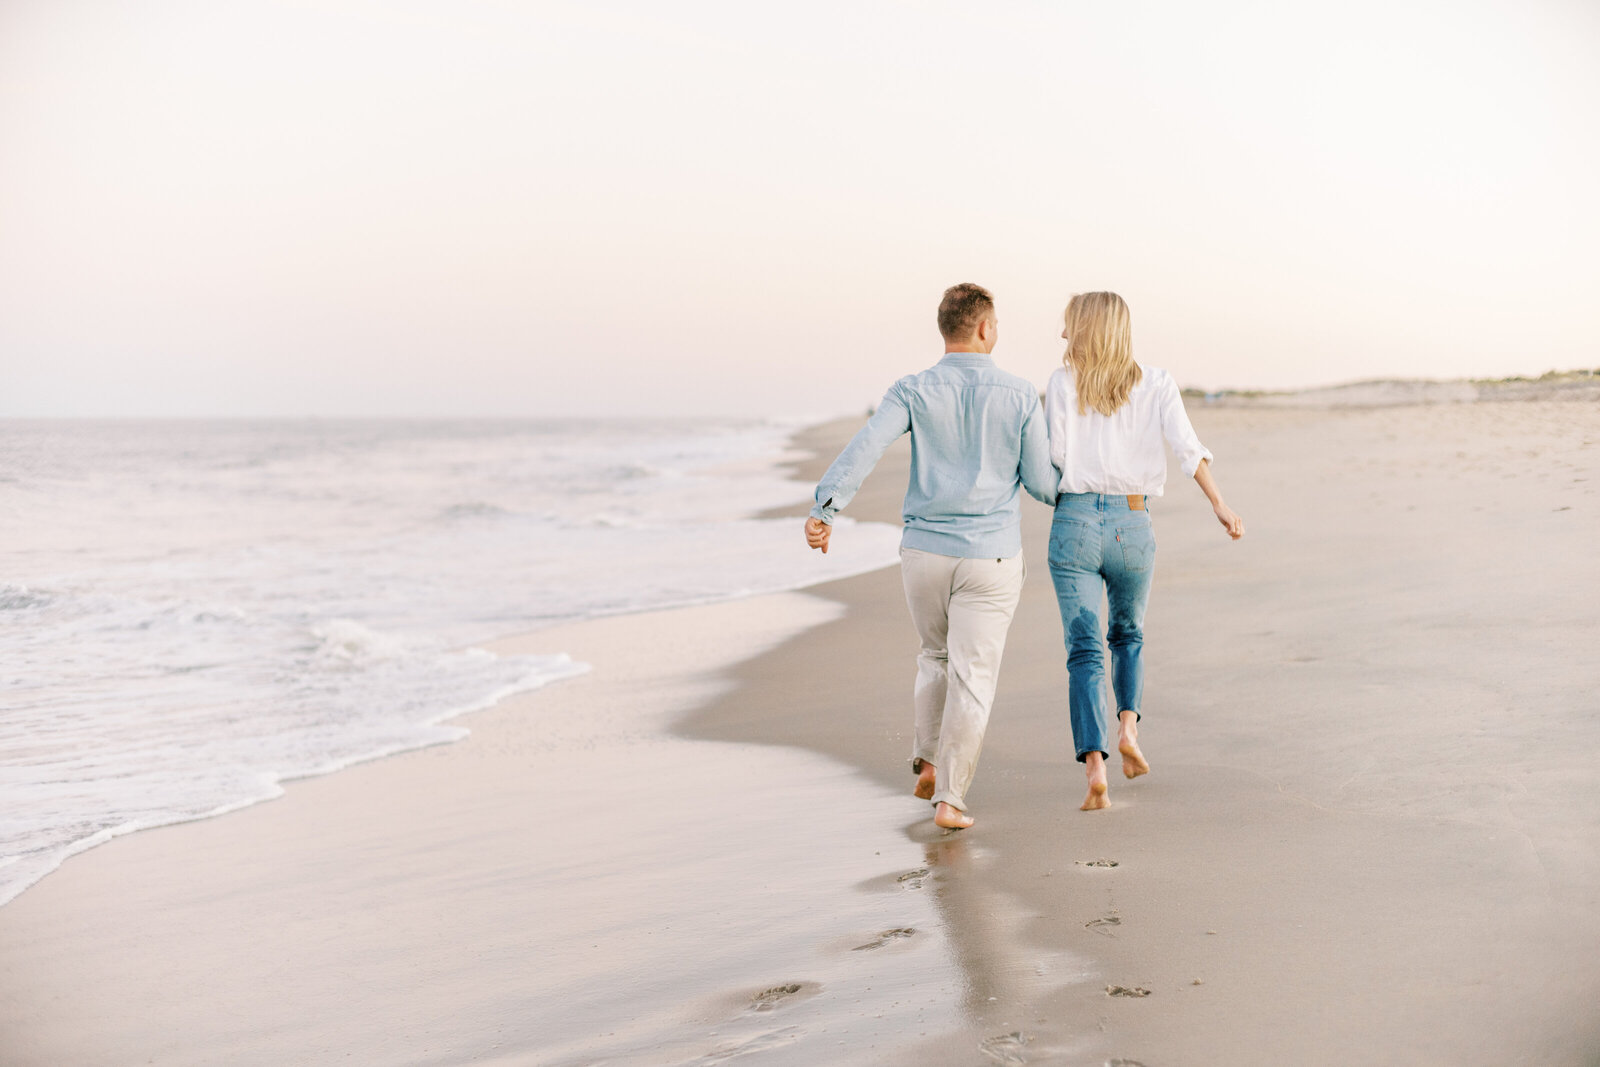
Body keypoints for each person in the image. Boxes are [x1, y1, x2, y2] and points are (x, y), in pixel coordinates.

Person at [803, 283, 1059, 830]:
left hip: (923, 552)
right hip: (989, 557)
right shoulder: (1017, 394)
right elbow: (1042, 483)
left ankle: (927, 762)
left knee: (934, 656)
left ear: (945, 329)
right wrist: (1083, 490)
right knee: (973, 675)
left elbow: (867, 444)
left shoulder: (912, 389)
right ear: (986, 328)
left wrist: (825, 509)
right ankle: (949, 798)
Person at [1044, 291, 1244, 811]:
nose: (1063, 335)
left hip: (1076, 522)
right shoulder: (1156, 383)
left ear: (1086, 329)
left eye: (1069, 326)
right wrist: (1220, 505)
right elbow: (1187, 448)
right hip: (1133, 524)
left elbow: (1056, 459)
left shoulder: (1063, 384)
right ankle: (1128, 729)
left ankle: (1095, 768)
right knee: (1127, 635)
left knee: (1084, 649)